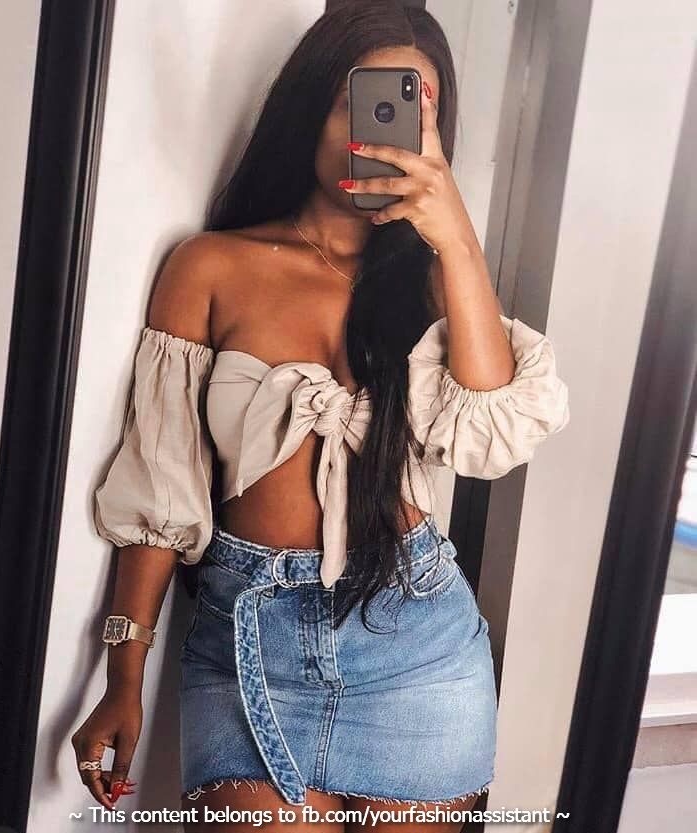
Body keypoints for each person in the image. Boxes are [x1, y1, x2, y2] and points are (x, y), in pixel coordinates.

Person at [71, 2, 570, 830]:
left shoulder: (440, 285)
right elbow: (162, 484)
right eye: (356, 101)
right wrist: (123, 671)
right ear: (310, 106)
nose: (375, 133)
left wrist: (456, 240)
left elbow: (496, 433)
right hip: (247, 646)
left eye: (410, 110)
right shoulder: (210, 267)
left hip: (419, 652)